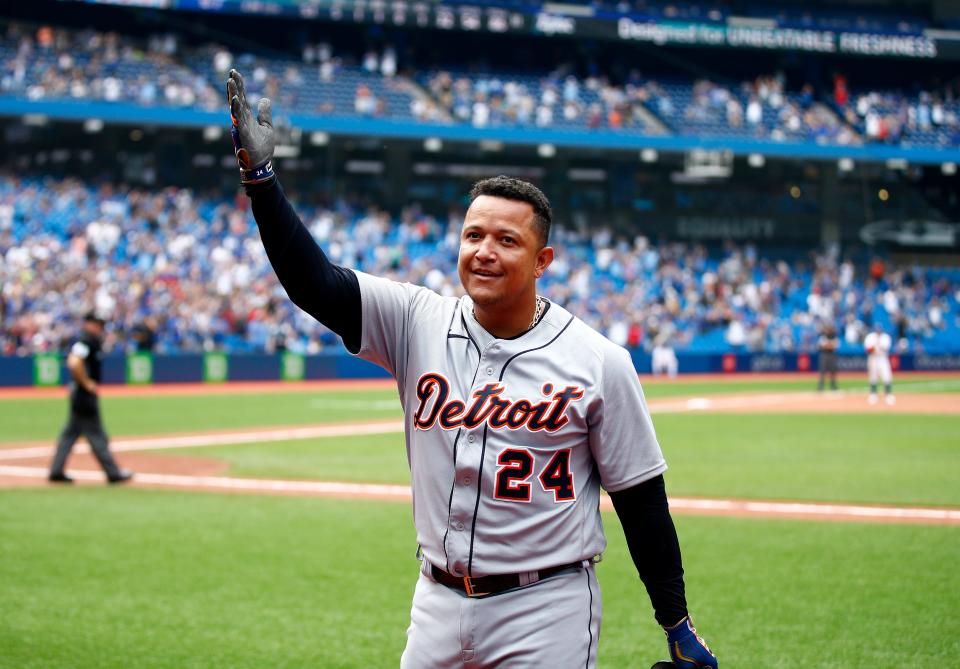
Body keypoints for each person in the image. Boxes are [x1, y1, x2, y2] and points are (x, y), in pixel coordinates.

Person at [227, 69, 718, 668]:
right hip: (435, 599)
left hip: (546, 605)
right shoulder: (415, 320)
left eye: (506, 241)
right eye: (473, 235)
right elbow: (315, 284)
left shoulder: (598, 361)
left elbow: (642, 502)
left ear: (543, 260)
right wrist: (262, 183)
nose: (484, 251)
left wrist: (676, 621)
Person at [48, 312, 134, 484]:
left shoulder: (86, 340)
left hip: (78, 394)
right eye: (97, 324)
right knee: (97, 435)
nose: (99, 328)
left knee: (70, 433)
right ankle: (113, 473)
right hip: (84, 395)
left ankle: (56, 471)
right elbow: (74, 362)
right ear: (89, 324)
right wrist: (86, 383)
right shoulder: (85, 341)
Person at [863, 324, 895, 405]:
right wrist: (876, 348)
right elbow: (868, 349)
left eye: (879, 330)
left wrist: (876, 347)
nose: (878, 331)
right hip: (873, 358)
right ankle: (873, 395)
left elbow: (885, 348)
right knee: (873, 377)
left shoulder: (885, 337)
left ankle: (888, 395)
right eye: (876, 330)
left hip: (882, 358)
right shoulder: (870, 337)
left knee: (887, 376)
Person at [816, 323, 840, 392]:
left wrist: (828, 345)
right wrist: (830, 345)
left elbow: (835, 345)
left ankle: (833, 386)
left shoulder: (834, 336)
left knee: (833, 371)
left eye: (830, 329)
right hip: (824, 354)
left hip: (832, 354)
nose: (828, 330)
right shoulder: (823, 336)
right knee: (822, 371)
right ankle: (821, 386)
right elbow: (822, 346)